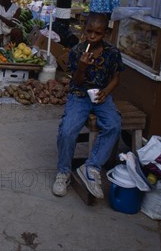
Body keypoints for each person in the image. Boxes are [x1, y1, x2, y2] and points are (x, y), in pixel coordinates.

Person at [52, 13, 122, 199]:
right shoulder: (77, 51)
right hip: (79, 95)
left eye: (97, 33)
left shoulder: (113, 53)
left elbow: (116, 77)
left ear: (105, 33)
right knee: (67, 130)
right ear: (84, 30)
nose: (92, 36)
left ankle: (92, 167)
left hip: (102, 95)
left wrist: (106, 92)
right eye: (89, 31)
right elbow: (75, 81)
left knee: (114, 126)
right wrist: (82, 67)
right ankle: (63, 172)